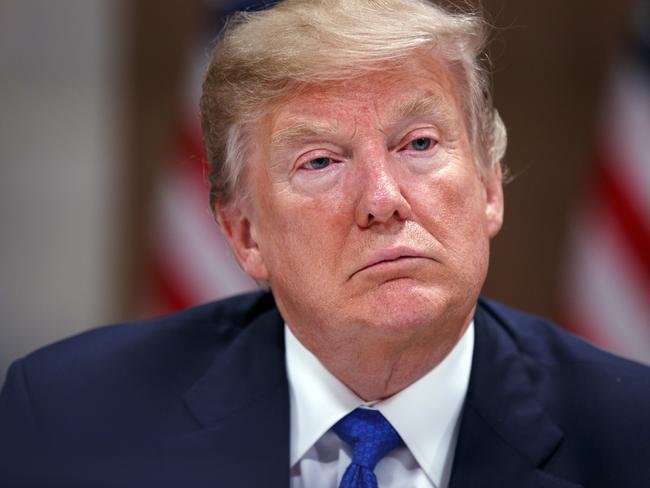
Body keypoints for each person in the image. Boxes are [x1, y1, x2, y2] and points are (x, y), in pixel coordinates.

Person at [1, 0, 649, 486]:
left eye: (419, 144)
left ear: (488, 189)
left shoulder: (631, 436)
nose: (382, 199)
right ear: (244, 234)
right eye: (319, 162)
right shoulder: (69, 419)